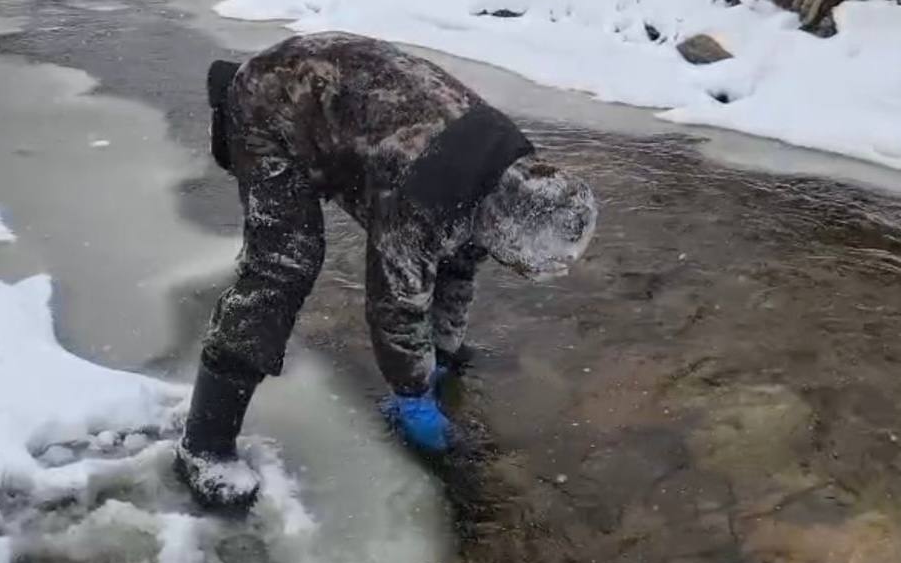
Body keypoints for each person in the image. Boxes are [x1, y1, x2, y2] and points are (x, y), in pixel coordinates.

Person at [177, 32, 598, 510]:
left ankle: (431, 361)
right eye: (528, 265)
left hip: (347, 95)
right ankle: (204, 445)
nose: (525, 271)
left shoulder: (514, 179)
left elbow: (459, 264)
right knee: (283, 267)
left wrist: (442, 351)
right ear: (511, 233)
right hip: (271, 105)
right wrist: (413, 393)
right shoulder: (423, 197)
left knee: (438, 256)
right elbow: (394, 305)